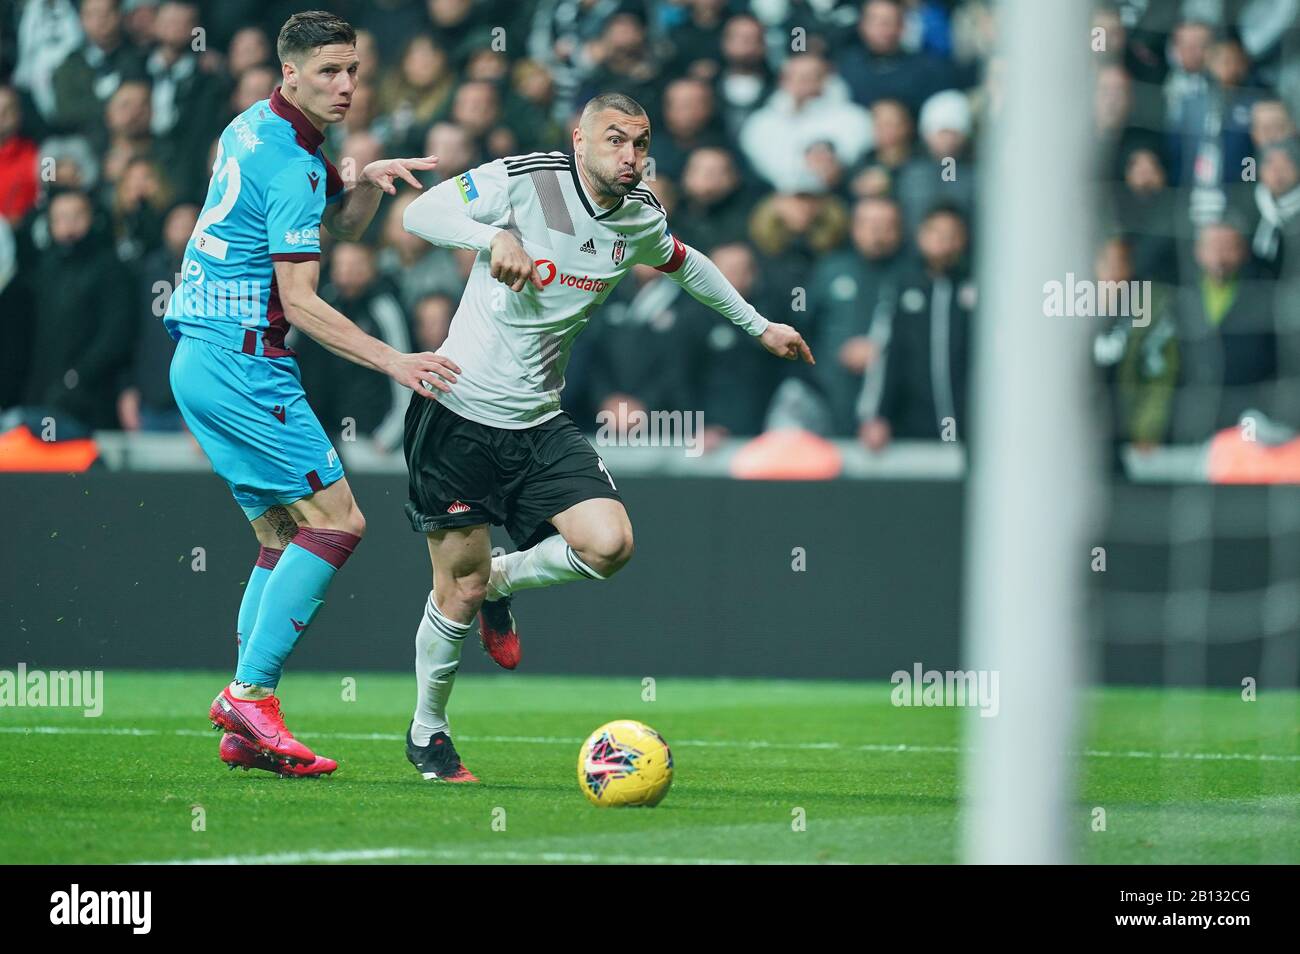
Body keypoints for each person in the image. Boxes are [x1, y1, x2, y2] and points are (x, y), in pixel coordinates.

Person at [399, 92, 814, 782]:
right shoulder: (529, 181)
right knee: (456, 591)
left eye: (641, 144)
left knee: (609, 544)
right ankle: (428, 733)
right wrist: (490, 236)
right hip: (459, 414)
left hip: (538, 421)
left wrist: (760, 326)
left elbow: (686, 263)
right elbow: (420, 212)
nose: (630, 157)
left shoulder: (640, 216)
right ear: (580, 140)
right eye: (616, 141)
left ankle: (505, 577)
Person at [162, 11, 457, 777]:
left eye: (353, 69)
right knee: (338, 521)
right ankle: (250, 695)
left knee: (280, 534)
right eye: (329, 71)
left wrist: (361, 190)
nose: (347, 85)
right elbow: (302, 302)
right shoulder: (294, 162)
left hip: (198, 357)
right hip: (243, 362)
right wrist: (395, 361)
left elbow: (331, 229)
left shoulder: (254, 128)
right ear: (287, 72)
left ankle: (245, 723)